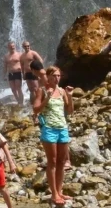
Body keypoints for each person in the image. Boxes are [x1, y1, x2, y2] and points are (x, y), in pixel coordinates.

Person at [33, 66, 73, 206]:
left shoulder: (62, 91)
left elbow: (69, 110)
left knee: (62, 162)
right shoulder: (42, 91)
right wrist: (47, 97)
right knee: (53, 161)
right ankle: (54, 193)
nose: (57, 78)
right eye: (54, 76)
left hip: (62, 128)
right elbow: (36, 109)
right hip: (49, 129)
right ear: (48, 77)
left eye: (59, 76)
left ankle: (60, 190)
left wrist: (70, 96)